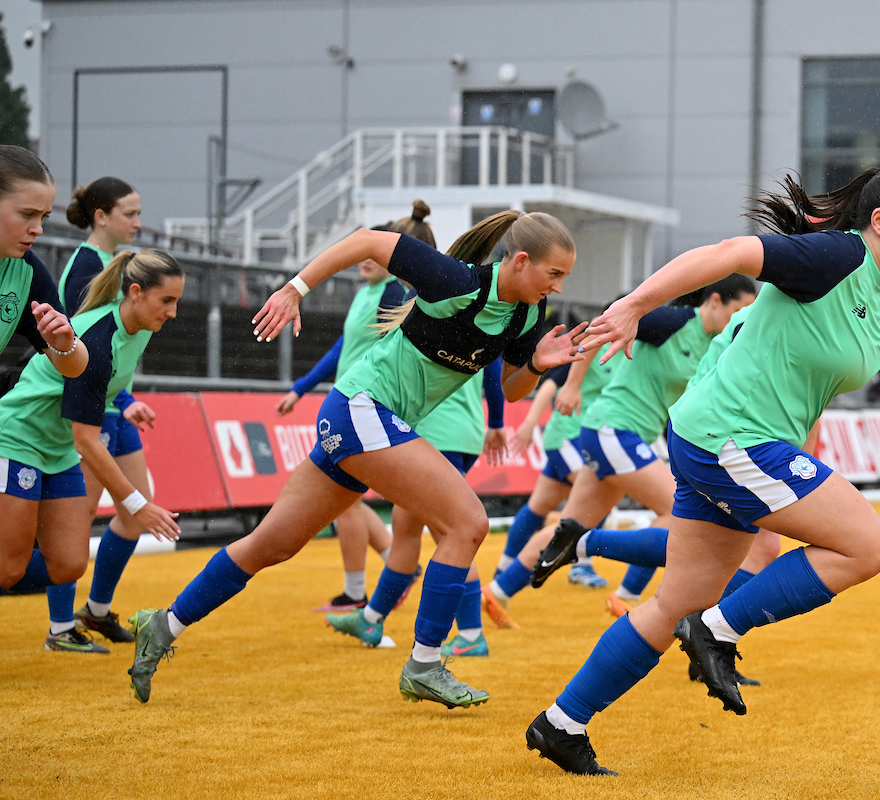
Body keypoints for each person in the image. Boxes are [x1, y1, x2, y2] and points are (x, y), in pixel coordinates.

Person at [523, 166, 880, 776]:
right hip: (730, 436)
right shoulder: (836, 256)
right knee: (866, 546)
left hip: (721, 439)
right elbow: (730, 253)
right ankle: (715, 629)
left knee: (671, 602)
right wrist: (634, 305)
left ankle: (561, 723)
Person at [125, 210, 585, 708]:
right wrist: (295, 289)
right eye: (554, 274)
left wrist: (537, 365)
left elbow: (514, 391)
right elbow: (367, 241)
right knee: (468, 523)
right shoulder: (457, 280)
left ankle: (163, 624)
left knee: (270, 545)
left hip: (366, 419)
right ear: (521, 261)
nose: (558, 288)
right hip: (362, 407)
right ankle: (425, 664)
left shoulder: (527, 315)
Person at [482, 276, 756, 628]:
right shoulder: (675, 322)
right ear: (715, 301)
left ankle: (498, 591)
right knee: (679, 512)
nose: (741, 321)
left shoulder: (715, 344)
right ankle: (625, 597)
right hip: (613, 429)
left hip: (621, 435)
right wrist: (573, 385)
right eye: (739, 310)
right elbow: (603, 327)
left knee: (572, 526)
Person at [0, 250, 184, 652]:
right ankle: (62, 629)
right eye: (166, 301)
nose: (172, 312)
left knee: (68, 563)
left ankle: (79, 619)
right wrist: (138, 504)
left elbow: (107, 394)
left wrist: (127, 400)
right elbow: (87, 439)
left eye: (176, 302)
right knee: (8, 569)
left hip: (58, 447)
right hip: (17, 437)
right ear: (135, 292)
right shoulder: (97, 339)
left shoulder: (139, 328)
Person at [277, 203, 437, 613]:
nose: (365, 261)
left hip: (369, 406)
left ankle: (357, 593)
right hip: (349, 402)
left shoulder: (394, 294)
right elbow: (341, 349)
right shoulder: (367, 293)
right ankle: (391, 569)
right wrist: (301, 388)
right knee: (348, 501)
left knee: (348, 502)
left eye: (374, 255)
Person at [40, 177, 161, 646]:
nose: (137, 221)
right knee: (76, 521)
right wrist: (116, 403)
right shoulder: (85, 267)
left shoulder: (120, 264)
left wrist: (127, 400)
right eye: (129, 213)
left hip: (113, 406)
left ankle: (95, 610)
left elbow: (114, 352)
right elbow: (79, 352)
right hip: (89, 410)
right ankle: (60, 627)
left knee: (135, 509)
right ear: (101, 217)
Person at [324, 357, 507, 657]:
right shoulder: (483, 317)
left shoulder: (429, 311)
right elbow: (494, 367)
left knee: (450, 531)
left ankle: (471, 634)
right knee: (406, 526)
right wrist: (496, 421)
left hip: (435, 431)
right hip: (462, 429)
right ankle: (371, 619)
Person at [498, 306, 621, 589]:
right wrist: (529, 423)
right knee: (596, 497)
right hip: (566, 436)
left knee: (538, 506)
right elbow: (553, 384)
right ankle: (582, 565)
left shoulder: (630, 352)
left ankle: (504, 570)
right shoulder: (592, 345)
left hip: (583, 439)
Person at [0, 145, 89, 381]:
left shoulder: (26, 271)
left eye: (43, 217)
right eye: (28, 214)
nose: (38, 229)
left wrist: (64, 345)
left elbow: (75, 367)